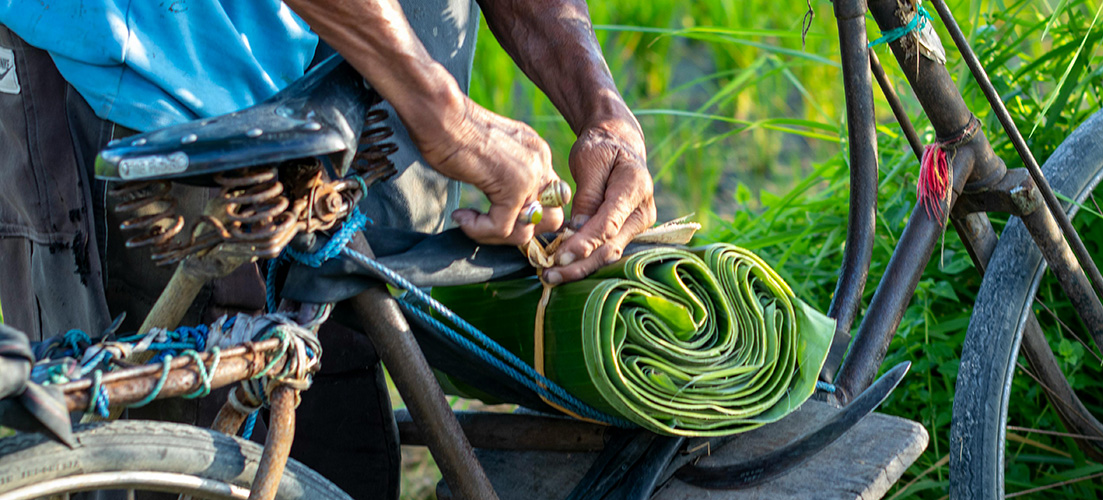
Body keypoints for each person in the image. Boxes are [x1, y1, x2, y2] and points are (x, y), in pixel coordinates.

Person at [0, 0, 656, 497]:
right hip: (146, 80)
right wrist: (453, 123)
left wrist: (601, 109)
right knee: (168, 450)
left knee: (331, 412)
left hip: (351, 74)